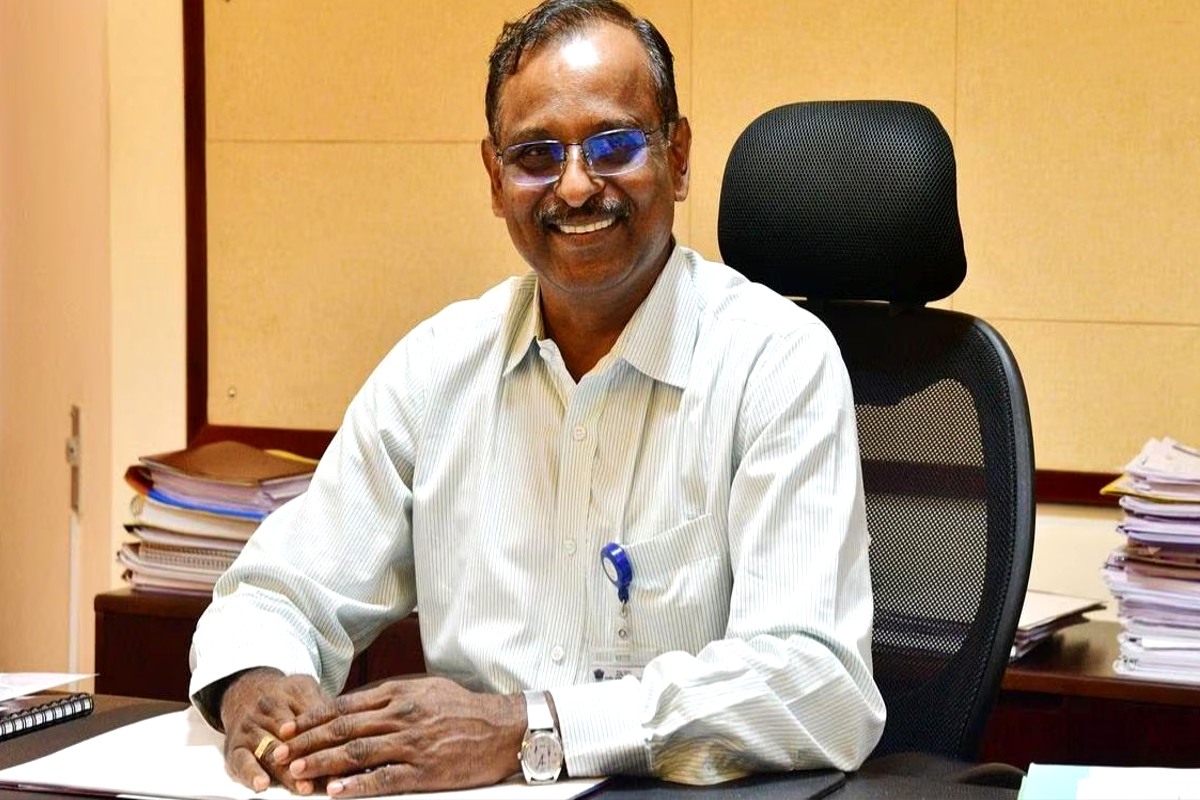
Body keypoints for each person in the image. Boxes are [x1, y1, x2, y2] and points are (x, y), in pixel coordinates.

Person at [188, 0, 885, 795]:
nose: (577, 186)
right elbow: (278, 590)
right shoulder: (438, 369)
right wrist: (255, 684)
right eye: (535, 156)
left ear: (679, 156)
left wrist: (529, 728)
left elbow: (816, 682)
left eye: (614, 145)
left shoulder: (775, 362)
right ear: (495, 179)